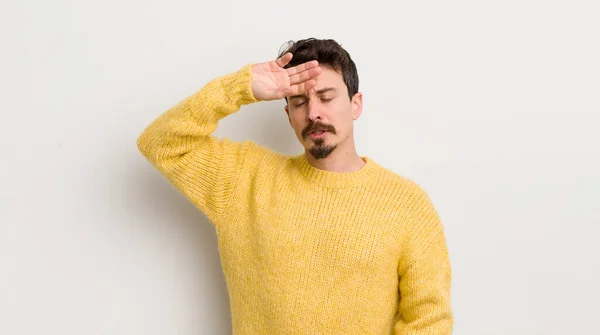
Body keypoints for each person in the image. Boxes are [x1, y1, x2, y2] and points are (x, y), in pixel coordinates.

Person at [137, 38, 453, 334]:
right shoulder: (244, 179)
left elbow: (429, 320)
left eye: (327, 97)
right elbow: (160, 142)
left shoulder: (406, 203)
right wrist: (239, 87)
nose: (313, 112)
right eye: (300, 102)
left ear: (355, 105)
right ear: (289, 115)